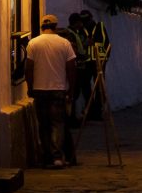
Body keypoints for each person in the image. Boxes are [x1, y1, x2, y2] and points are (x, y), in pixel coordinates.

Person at [26, 14, 77, 169]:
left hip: (39, 89)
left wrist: (30, 87)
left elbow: (29, 69)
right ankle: (57, 157)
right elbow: (71, 68)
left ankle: (47, 157)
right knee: (57, 123)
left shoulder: (33, 43)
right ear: (55, 26)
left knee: (44, 124)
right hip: (58, 88)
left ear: (42, 27)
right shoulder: (64, 43)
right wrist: (71, 89)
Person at [58, 13, 88, 126]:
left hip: (79, 66)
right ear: (76, 22)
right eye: (80, 22)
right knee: (73, 93)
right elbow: (74, 50)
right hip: (75, 67)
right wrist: (84, 49)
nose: (82, 24)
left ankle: (72, 117)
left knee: (75, 93)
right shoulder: (70, 34)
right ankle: (70, 119)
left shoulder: (75, 33)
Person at [80, 9, 110, 120]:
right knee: (85, 85)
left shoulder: (99, 26)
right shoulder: (81, 29)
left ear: (91, 18)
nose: (85, 22)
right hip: (87, 62)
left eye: (87, 20)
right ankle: (90, 108)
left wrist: (105, 60)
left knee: (99, 87)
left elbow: (107, 43)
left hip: (99, 62)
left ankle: (98, 110)